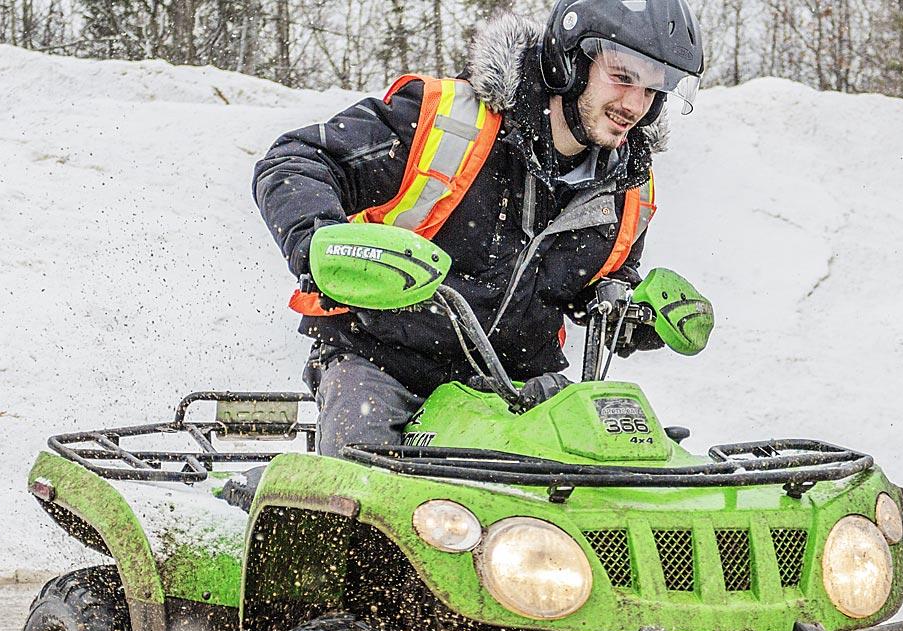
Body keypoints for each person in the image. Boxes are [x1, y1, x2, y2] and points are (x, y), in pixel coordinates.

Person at [253, 0, 704, 457]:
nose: (634, 105)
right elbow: (296, 162)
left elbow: (598, 283)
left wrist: (635, 313)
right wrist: (318, 240)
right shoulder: (446, 121)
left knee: (612, 480)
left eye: (651, 90)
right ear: (568, 62)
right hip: (384, 362)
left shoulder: (627, 186)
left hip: (519, 385)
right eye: (623, 77)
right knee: (361, 485)